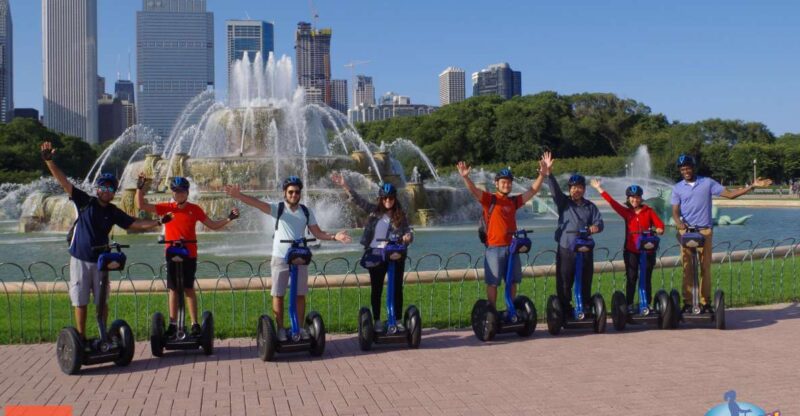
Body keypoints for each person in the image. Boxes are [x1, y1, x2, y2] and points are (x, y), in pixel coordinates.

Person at [40, 141, 167, 346]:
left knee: (102, 300)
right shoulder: (85, 201)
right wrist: (49, 161)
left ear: (114, 191)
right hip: (80, 258)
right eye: (104, 187)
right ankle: (80, 337)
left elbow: (135, 223)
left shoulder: (113, 211)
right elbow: (64, 182)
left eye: (111, 188)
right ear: (98, 188)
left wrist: (158, 221)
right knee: (80, 300)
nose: (107, 191)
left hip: (101, 260)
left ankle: (103, 334)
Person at [224, 176, 351, 341]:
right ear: (285, 193)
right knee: (278, 294)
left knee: (299, 294)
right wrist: (239, 196)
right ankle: (281, 329)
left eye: (297, 192)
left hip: (299, 257)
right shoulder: (279, 208)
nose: (294, 195)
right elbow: (257, 203)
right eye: (290, 192)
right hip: (280, 257)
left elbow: (318, 233)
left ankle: (297, 327)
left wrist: (335, 237)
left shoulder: (306, 211)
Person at [136, 173, 240, 337]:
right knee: (173, 289)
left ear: (187, 192)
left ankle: (194, 324)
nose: (179, 194)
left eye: (182, 191)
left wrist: (229, 218)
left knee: (188, 288)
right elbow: (141, 205)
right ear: (172, 193)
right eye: (176, 192)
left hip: (189, 254)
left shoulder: (195, 209)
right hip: (172, 253)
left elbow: (212, 225)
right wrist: (140, 189)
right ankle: (172, 323)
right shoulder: (166, 208)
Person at [671, 154, 772, 313]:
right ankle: (688, 303)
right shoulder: (677, 188)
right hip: (686, 232)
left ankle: (705, 302)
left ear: (693, 168)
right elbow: (675, 211)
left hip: (704, 231)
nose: (685, 171)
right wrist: (679, 224)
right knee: (687, 268)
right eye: (683, 169)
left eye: (688, 168)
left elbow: (730, 195)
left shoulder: (707, 183)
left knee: (705, 268)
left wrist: (751, 186)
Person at [456, 158, 546, 309]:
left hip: (512, 248)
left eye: (509, 182)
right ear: (496, 184)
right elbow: (474, 191)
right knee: (493, 282)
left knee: (512, 281)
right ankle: (491, 311)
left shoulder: (513, 201)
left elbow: (532, 191)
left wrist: (542, 175)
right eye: (503, 182)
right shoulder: (490, 200)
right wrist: (465, 177)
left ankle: (510, 309)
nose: (507, 185)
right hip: (494, 248)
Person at [331, 173, 413, 332]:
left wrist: (408, 237)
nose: (387, 201)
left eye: (390, 198)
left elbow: (409, 232)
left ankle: (396, 319)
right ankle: (376, 320)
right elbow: (358, 200)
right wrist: (344, 184)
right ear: (380, 199)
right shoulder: (374, 211)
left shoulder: (401, 216)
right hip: (376, 254)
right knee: (377, 288)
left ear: (395, 198)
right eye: (384, 198)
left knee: (396, 288)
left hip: (395, 253)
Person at [540, 152, 604, 317]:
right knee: (564, 280)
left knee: (585, 278)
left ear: (584, 189)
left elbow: (599, 223)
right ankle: (565, 308)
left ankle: (586, 306)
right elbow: (554, 191)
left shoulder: (590, 207)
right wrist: (549, 174)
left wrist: (594, 228)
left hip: (584, 247)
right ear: (569, 189)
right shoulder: (564, 203)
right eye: (573, 187)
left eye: (579, 187)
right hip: (566, 247)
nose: (576, 190)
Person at [590, 179, 664, 313]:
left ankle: (646, 303)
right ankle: (629, 304)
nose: (635, 200)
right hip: (631, 251)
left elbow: (661, 226)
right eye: (632, 197)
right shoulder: (626, 212)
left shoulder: (649, 211)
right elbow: (612, 203)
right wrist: (599, 188)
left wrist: (658, 229)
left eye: (637, 197)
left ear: (641, 198)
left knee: (646, 277)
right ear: (628, 199)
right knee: (631, 277)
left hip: (647, 250)